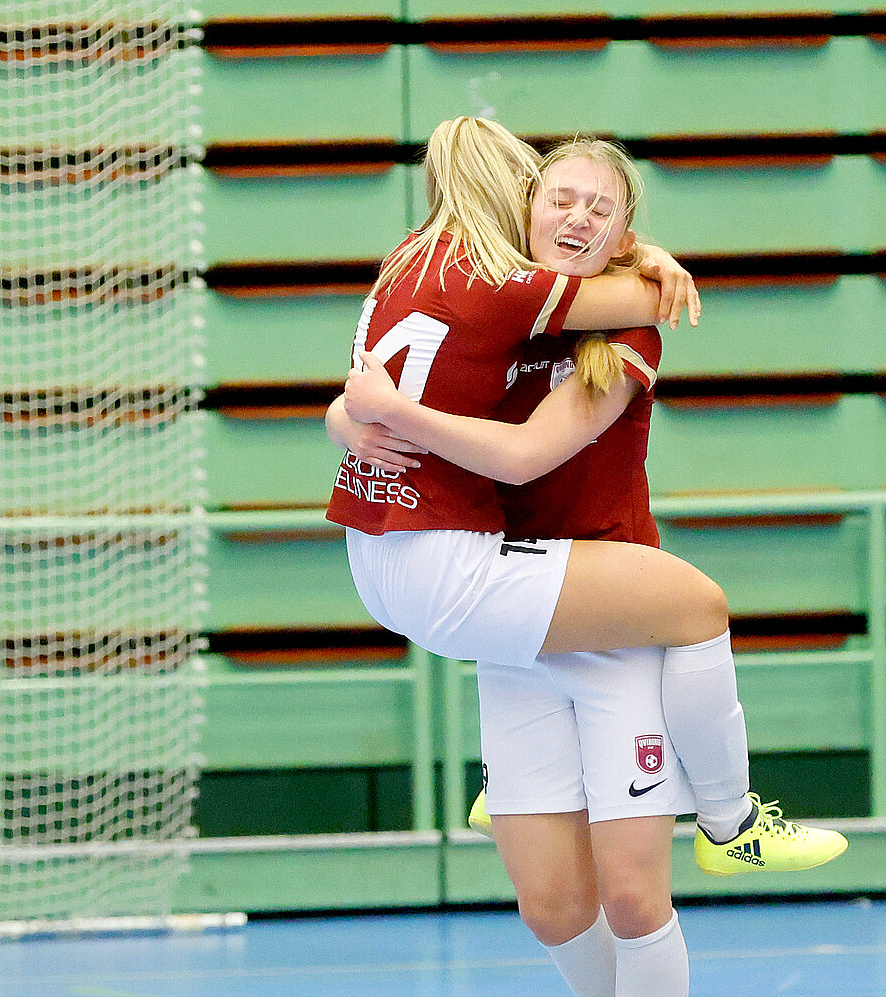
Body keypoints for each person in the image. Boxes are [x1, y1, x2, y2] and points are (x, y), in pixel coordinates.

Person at [324, 115, 846, 877]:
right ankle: (721, 821)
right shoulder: (510, 298)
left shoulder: (474, 279)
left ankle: (700, 816)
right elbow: (449, 409)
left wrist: (356, 413)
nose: (579, 217)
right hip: (503, 562)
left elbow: (482, 409)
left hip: (549, 552)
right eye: (559, 200)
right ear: (523, 207)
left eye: (603, 211)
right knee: (693, 612)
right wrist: (355, 415)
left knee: (621, 886)